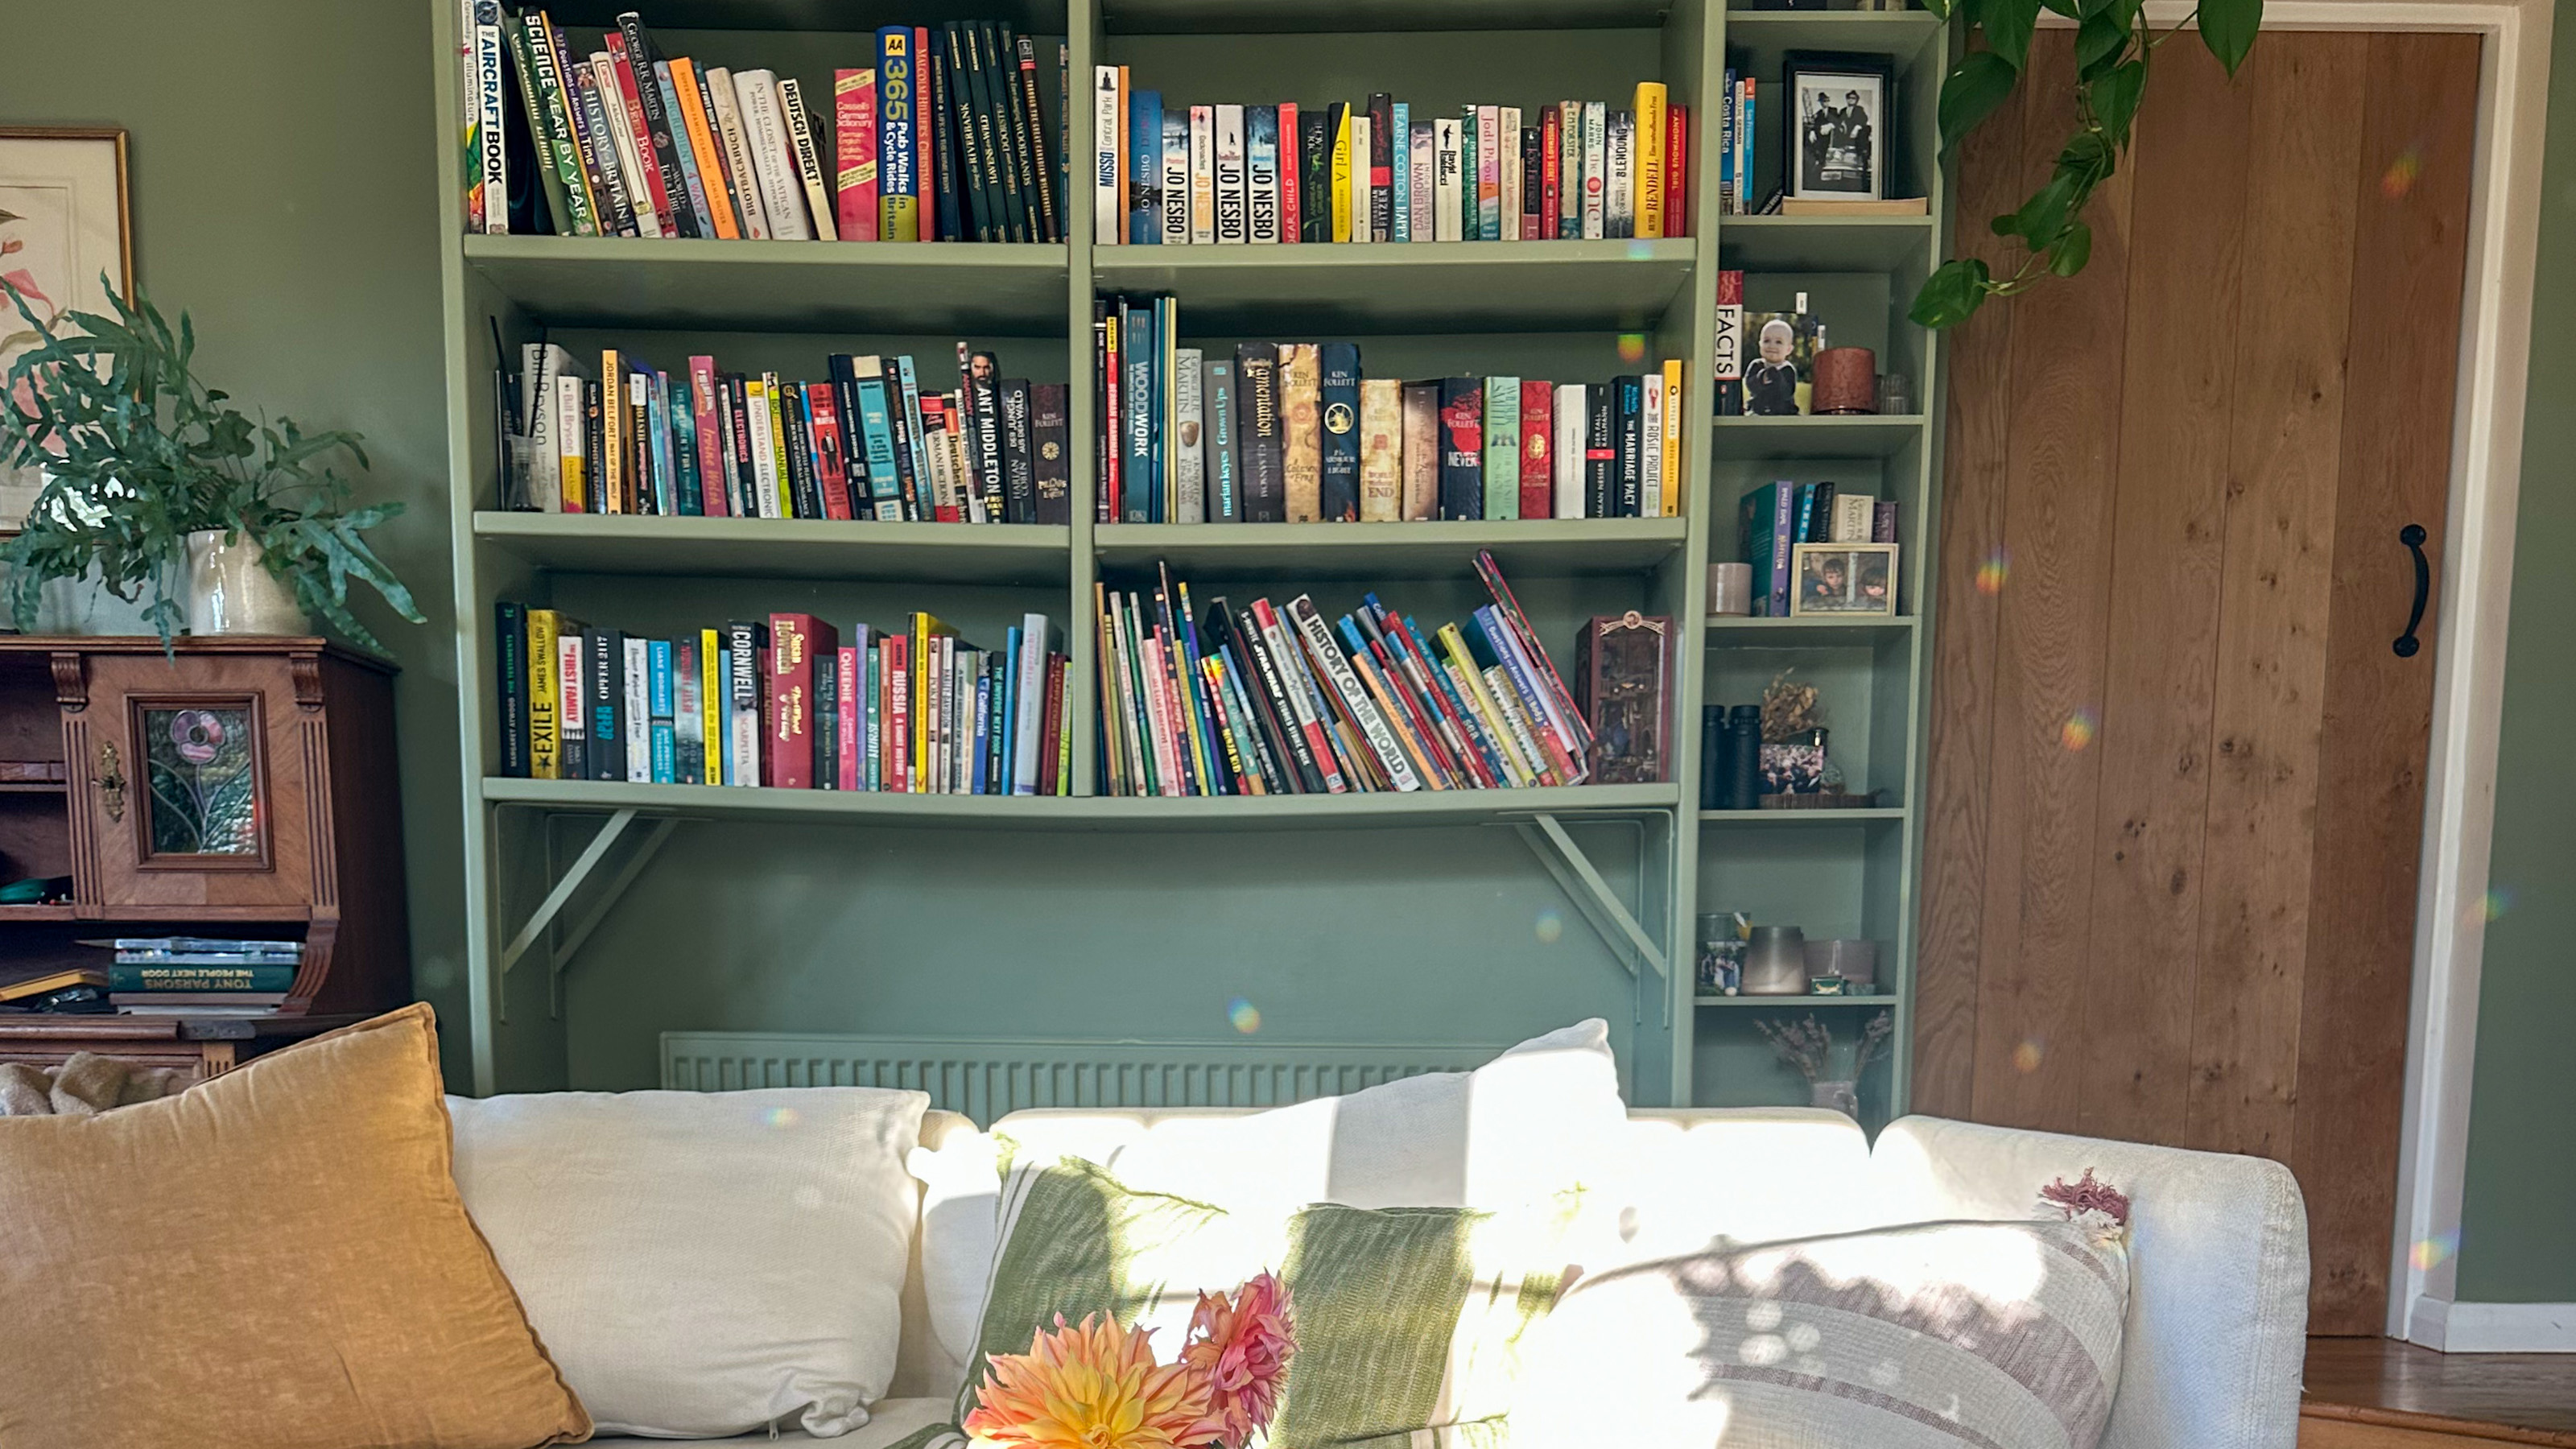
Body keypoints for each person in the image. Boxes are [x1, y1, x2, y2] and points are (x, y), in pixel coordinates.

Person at [1743, 317, 1802, 415]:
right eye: (1766, 341)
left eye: (1778, 342)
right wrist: (1762, 378)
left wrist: (1776, 377)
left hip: (1783, 410)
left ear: (1789, 349)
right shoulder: (1757, 365)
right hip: (1759, 409)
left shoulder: (1787, 369)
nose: (1772, 346)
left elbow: (1787, 393)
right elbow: (1751, 385)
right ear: (1760, 345)